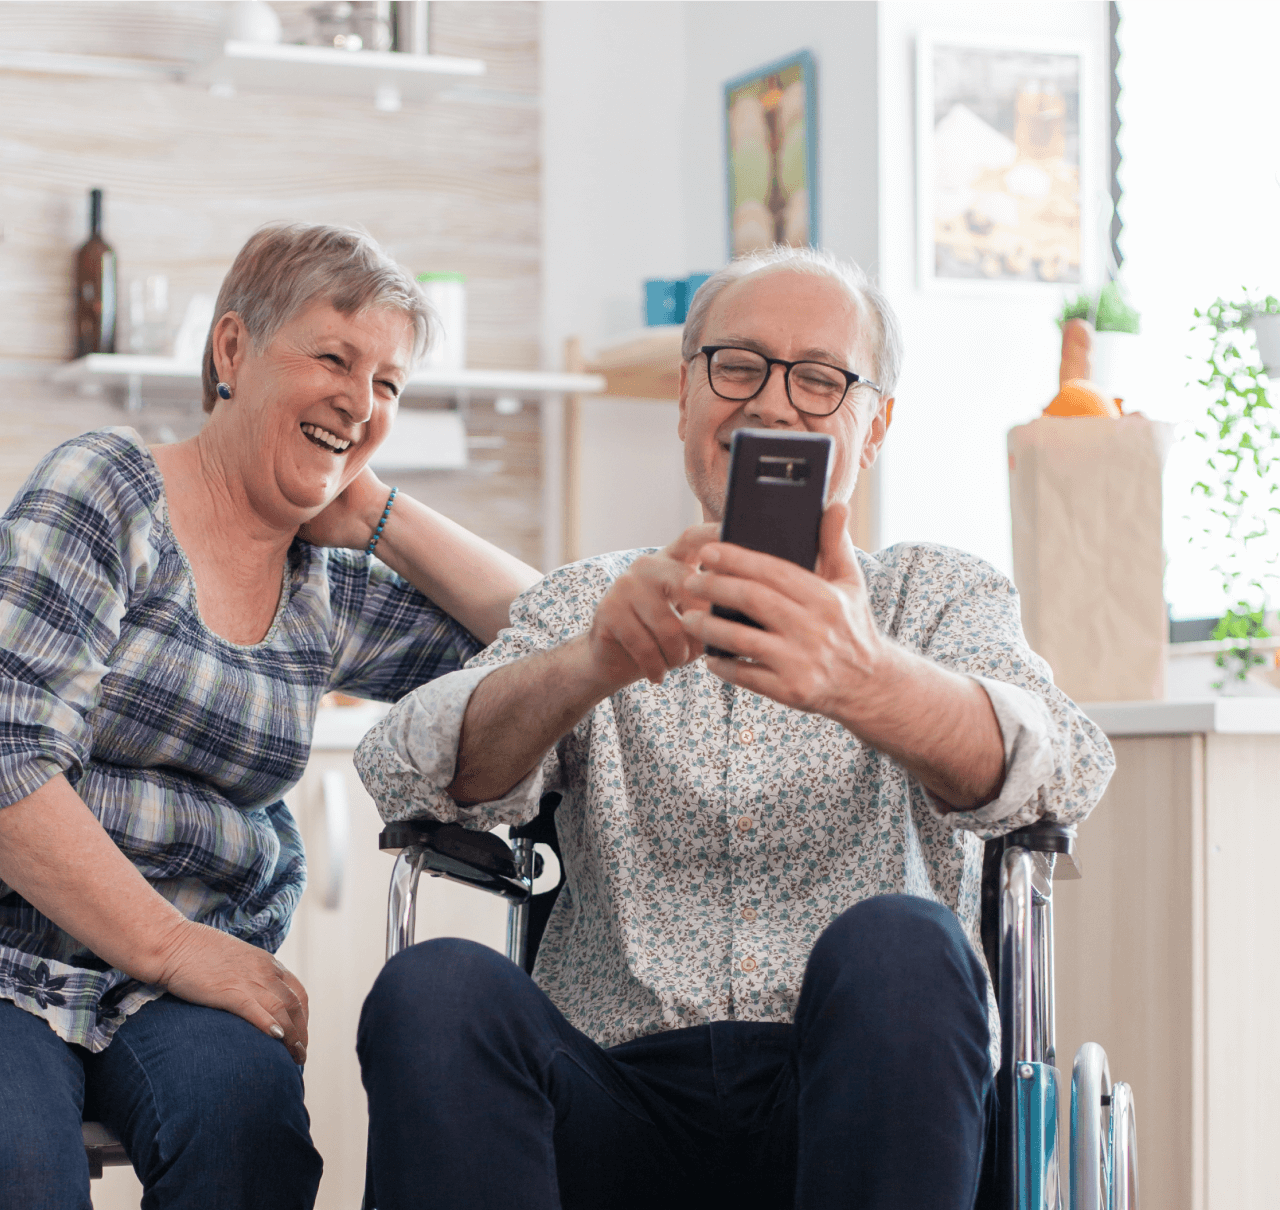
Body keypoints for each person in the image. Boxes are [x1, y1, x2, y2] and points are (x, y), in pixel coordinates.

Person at [0, 222, 540, 1210]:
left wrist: (381, 513)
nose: (361, 402)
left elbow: (552, 632)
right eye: (334, 358)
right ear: (233, 350)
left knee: (252, 1146)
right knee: (14, 1170)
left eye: (389, 385)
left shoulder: (326, 584)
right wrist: (174, 944)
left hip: (167, 987)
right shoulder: (105, 489)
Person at [352, 245, 1115, 1210]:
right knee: (435, 989)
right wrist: (592, 662)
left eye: (821, 379)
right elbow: (405, 770)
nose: (772, 404)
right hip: (614, 1099)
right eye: (739, 366)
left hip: (861, 1095)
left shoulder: (936, 594)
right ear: (685, 399)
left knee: (905, 945)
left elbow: (1067, 767)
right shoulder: (594, 599)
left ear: (874, 427)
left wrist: (868, 678)